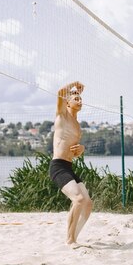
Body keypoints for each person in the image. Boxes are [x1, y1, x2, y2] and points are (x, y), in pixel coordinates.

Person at [49, 81, 93, 248]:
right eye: (76, 98)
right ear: (67, 102)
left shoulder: (77, 125)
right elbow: (60, 91)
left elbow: (74, 151)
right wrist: (75, 85)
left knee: (88, 204)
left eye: (81, 98)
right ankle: (70, 240)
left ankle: (74, 236)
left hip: (68, 166)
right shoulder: (61, 115)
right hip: (58, 167)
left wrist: (81, 149)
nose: (80, 100)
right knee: (79, 199)